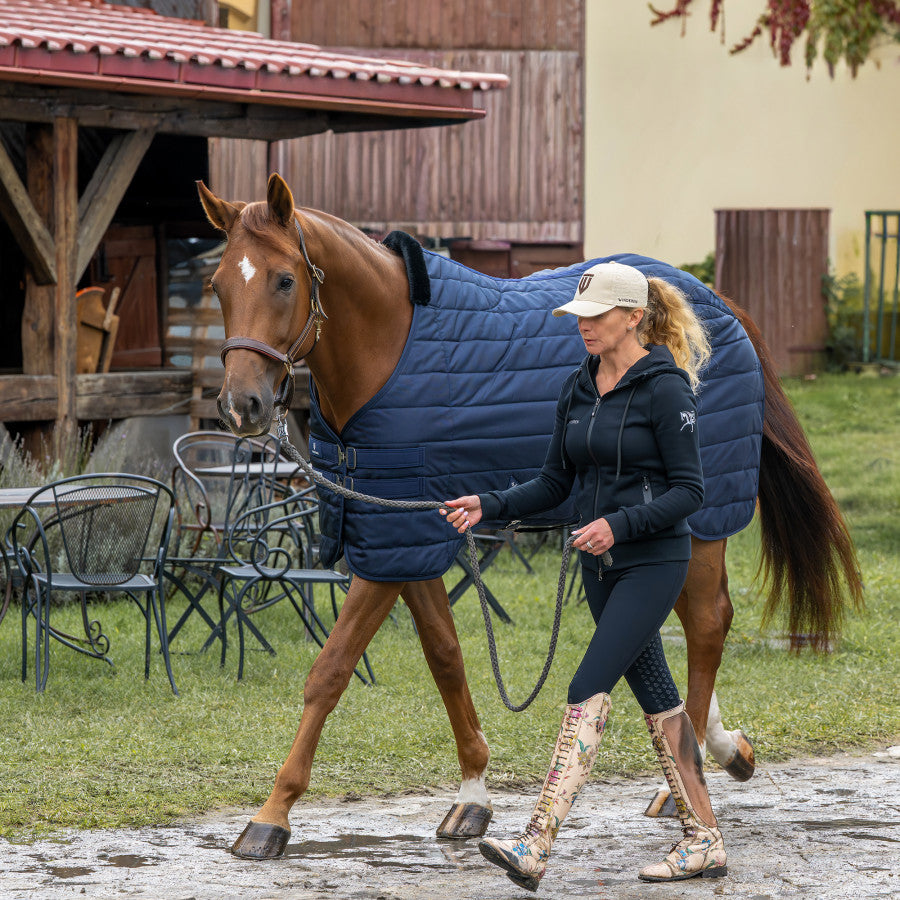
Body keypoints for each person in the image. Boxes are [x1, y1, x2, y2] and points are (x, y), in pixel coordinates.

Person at [440, 261, 726, 890]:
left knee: (587, 686)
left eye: (596, 316)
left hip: (652, 561)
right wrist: (489, 505)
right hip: (599, 568)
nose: (585, 327)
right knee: (660, 699)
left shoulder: (666, 389)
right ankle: (704, 839)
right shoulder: (579, 385)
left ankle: (536, 844)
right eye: (580, 317)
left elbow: (691, 492)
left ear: (632, 317)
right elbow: (554, 482)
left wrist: (620, 525)